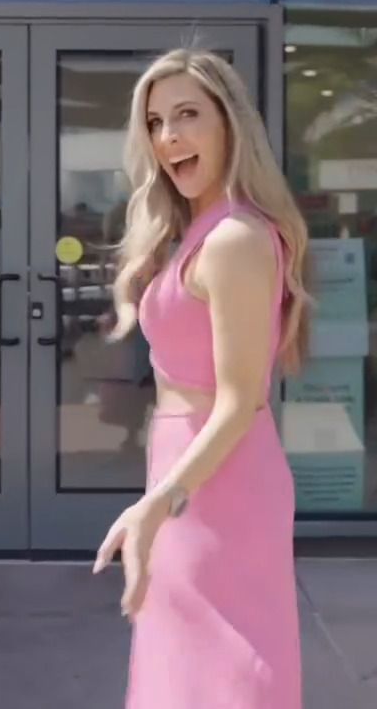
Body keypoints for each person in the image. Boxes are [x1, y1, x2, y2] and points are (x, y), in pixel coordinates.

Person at [92, 49, 310, 708]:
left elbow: (241, 402)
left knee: (227, 670)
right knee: (184, 662)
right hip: (189, 461)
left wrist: (158, 502)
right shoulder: (201, 232)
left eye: (187, 115)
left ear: (229, 124)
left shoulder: (234, 239)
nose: (168, 137)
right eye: (156, 122)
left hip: (222, 476)